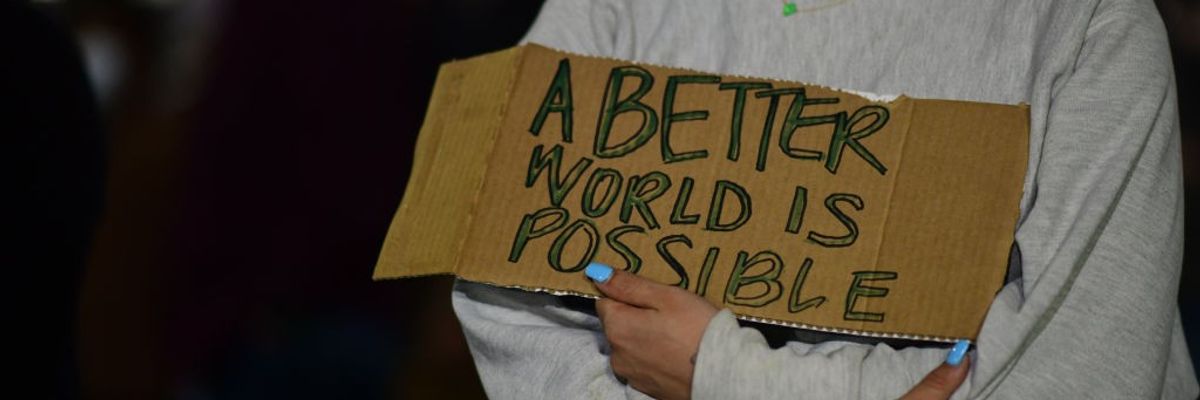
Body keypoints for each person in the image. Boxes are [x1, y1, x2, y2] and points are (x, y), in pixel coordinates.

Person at [451, 0, 1200, 398]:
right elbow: (502, 273)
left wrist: (723, 377)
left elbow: (1081, 376)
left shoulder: (1085, 20)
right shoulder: (618, 6)